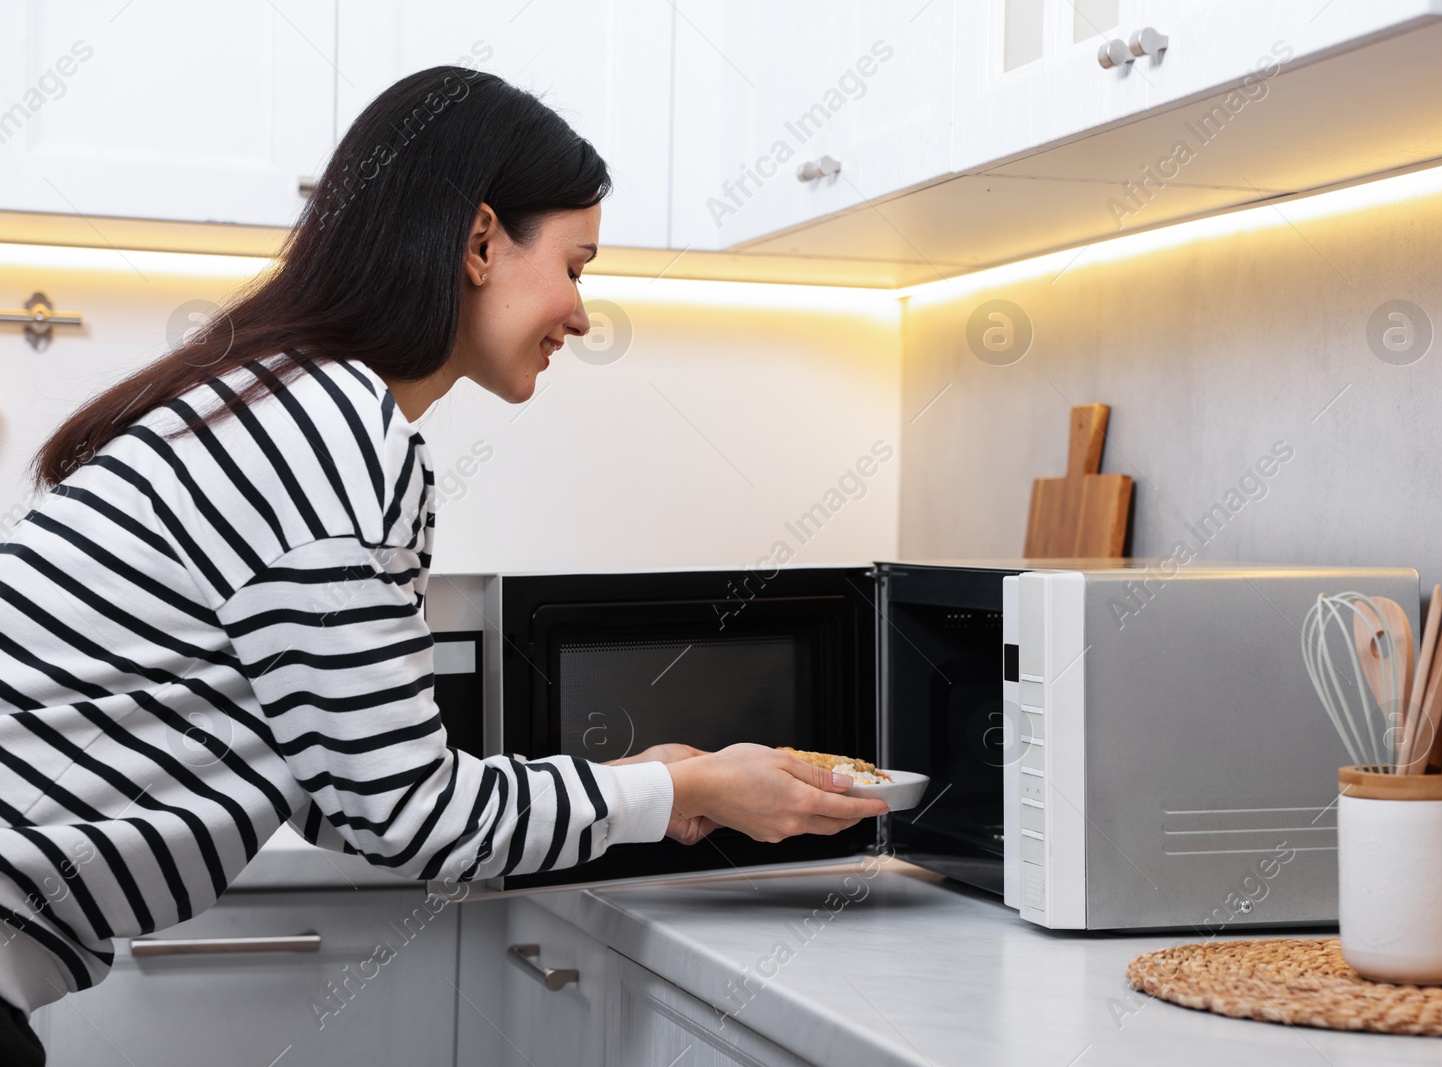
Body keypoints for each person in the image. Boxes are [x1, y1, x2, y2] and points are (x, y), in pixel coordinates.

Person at [0, 66, 886, 1062]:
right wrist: (689, 791)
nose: (582, 314)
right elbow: (414, 816)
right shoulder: (334, 431)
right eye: (577, 264)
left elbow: (351, 797)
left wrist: (640, 780)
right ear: (478, 240)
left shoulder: (280, 395)